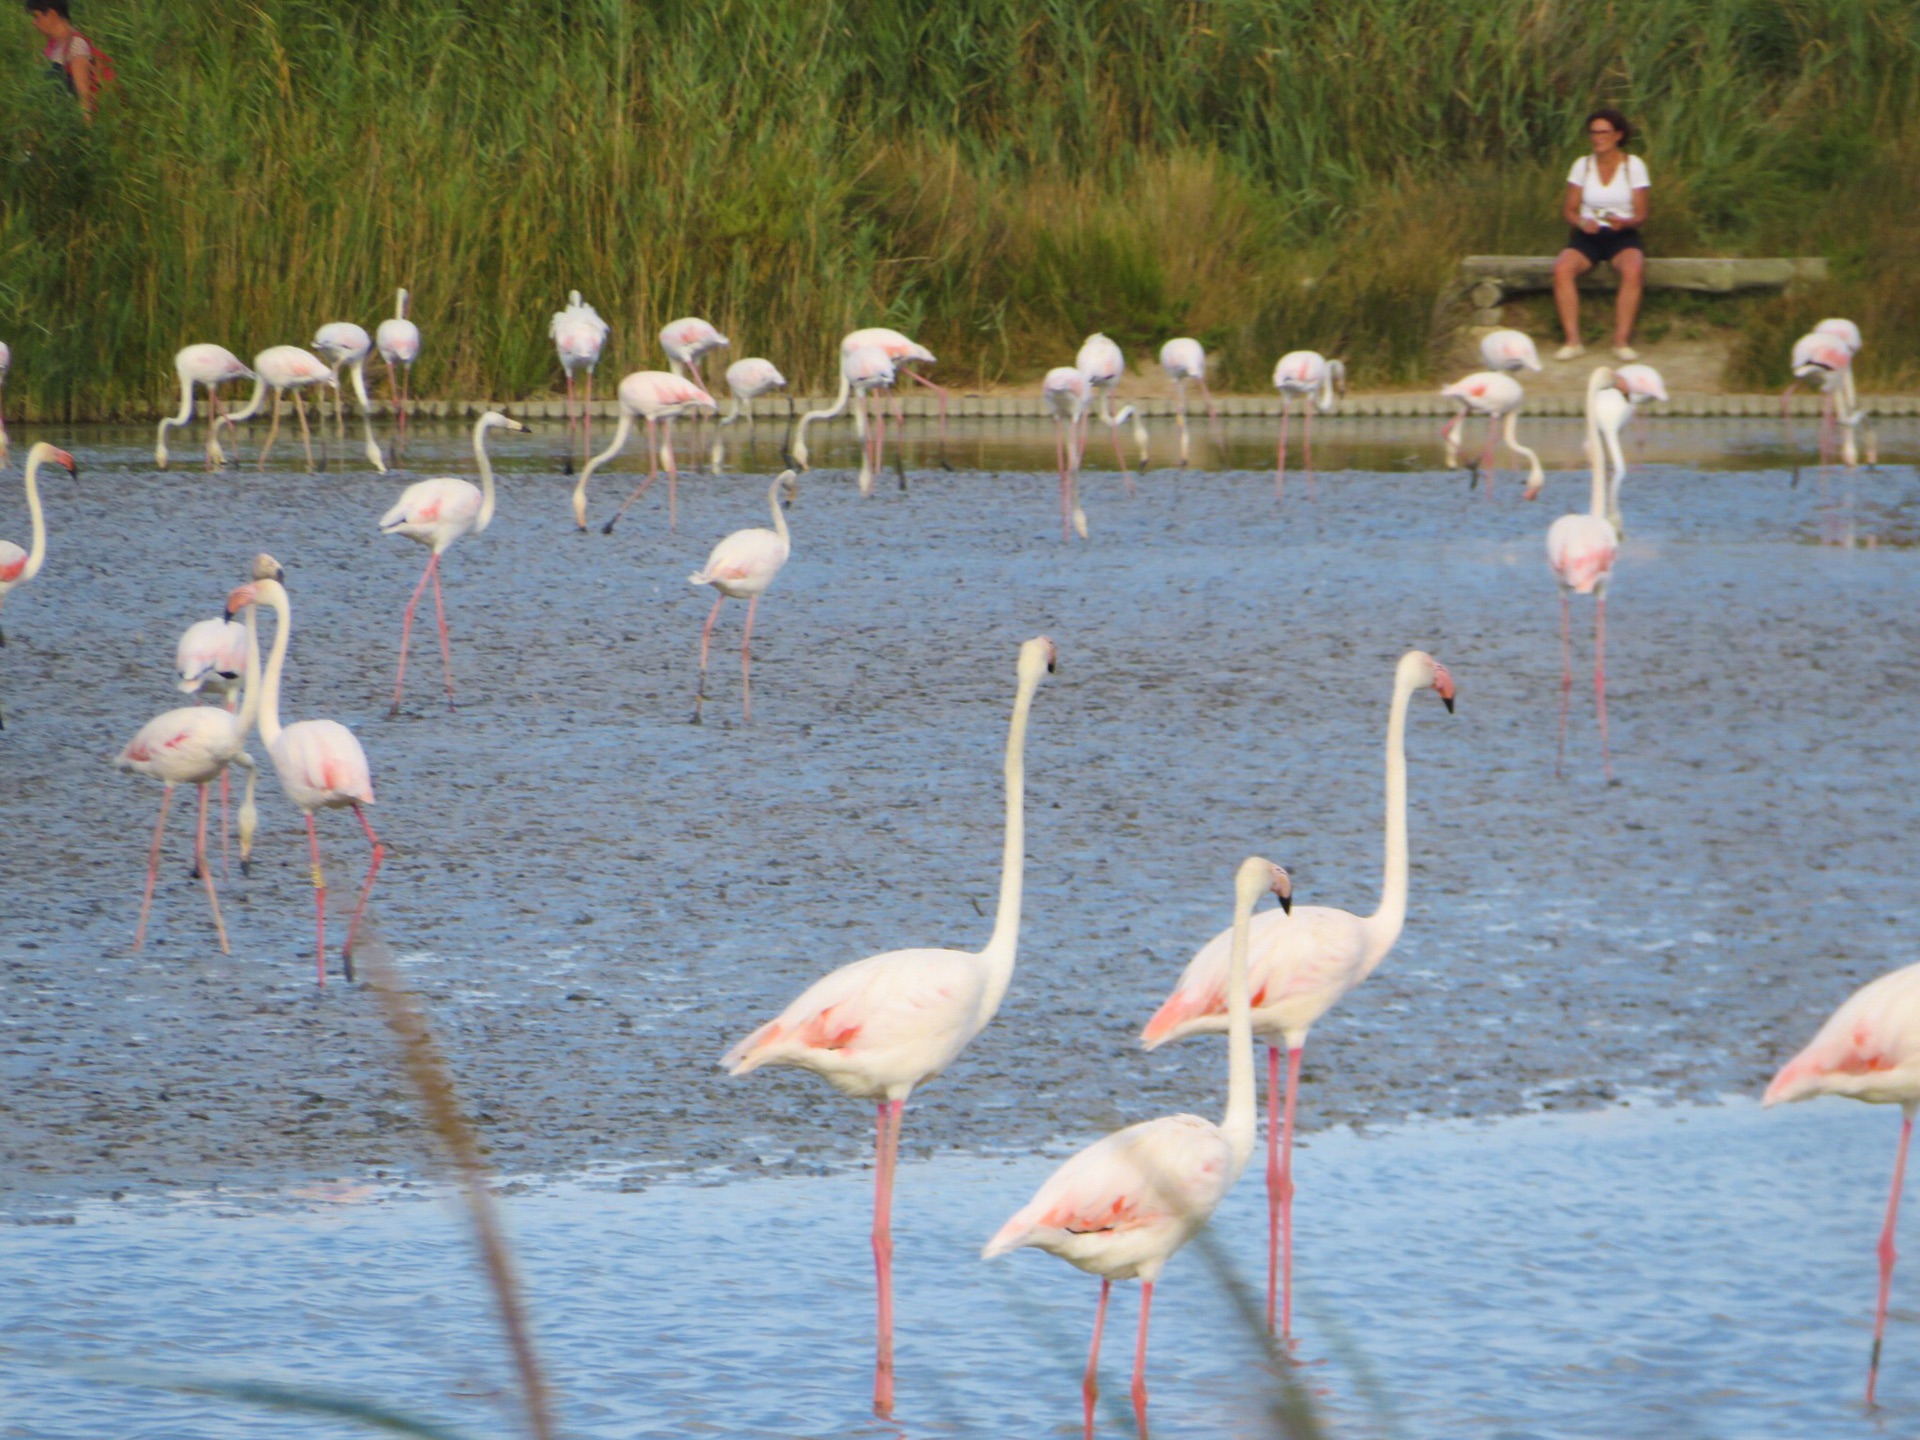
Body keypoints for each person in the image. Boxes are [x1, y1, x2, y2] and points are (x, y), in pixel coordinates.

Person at [1553, 108, 1649, 362]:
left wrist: (1626, 222)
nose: (1598, 138)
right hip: (1589, 234)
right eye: (1593, 133)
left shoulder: (1633, 166)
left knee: (1633, 269)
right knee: (1562, 267)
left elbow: (1641, 213)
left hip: (1622, 234)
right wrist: (1582, 222)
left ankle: (1621, 341)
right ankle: (1572, 340)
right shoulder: (1582, 166)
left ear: (1618, 135)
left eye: (1604, 132)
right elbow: (1569, 210)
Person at [26, 0, 98, 121]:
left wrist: (87, 134)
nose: (34, 22)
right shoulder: (53, 46)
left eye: (36, 16)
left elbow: (84, 95)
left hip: (72, 126)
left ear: (52, 15)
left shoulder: (76, 46)